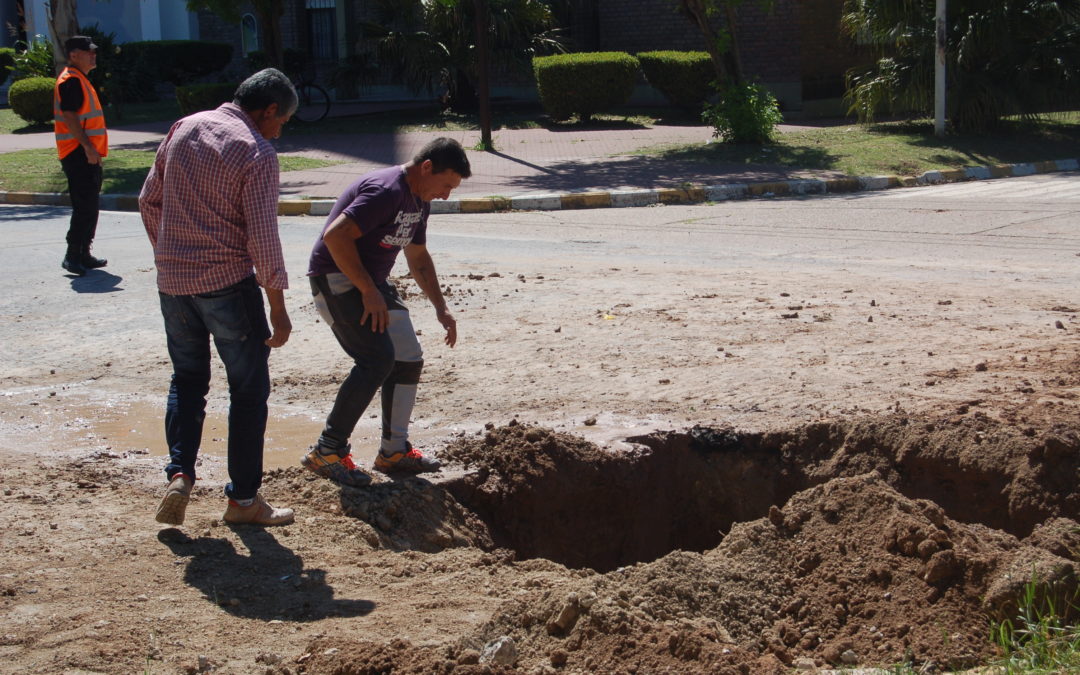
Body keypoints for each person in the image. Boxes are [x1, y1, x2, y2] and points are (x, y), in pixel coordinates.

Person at [140, 68, 297, 527]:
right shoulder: (257, 151)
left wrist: (171, 255)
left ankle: (180, 473)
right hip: (227, 284)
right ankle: (243, 500)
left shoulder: (184, 127)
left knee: (187, 382)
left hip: (173, 284)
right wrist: (279, 310)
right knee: (248, 390)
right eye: (282, 121)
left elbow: (149, 201)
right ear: (268, 110)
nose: (279, 130)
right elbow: (263, 239)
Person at [301, 137, 471, 486]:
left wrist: (441, 307)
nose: (446, 195)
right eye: (445, 185)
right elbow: (335, 237)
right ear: (427, 168)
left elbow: (418, 258)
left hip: (371, 283)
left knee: (408, 356)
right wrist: (367, 290)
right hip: (336, 279)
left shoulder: (418, 199)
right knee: (376, 360)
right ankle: (327, 451)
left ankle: (393, 452)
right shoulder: (386, 190)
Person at [54, 35, 108, 277]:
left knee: (90, 204)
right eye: (88, 52)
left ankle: (84, 253)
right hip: (77, 153)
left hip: (86, 152)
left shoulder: (80, 79)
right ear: (74, 55)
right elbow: (70, 116)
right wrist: (87, 147)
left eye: (94, 51)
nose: (93, 55)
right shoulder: (71, 80)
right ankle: (72, 256)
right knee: (84, 205)